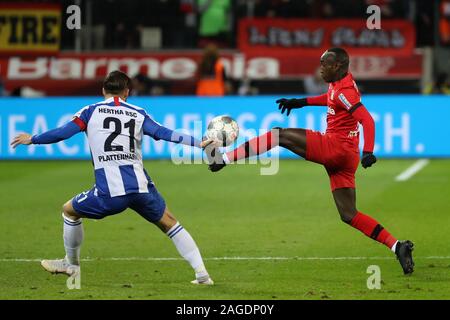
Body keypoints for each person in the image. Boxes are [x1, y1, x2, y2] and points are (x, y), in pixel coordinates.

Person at [207, 48, 415, 275]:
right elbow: (332, 99)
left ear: (337, 66)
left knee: (279, 135)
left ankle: (223, 158)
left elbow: (367, 120)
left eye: (324, 64)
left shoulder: (346, 90)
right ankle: (397, 246)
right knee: (349, 214)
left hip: (335, 148)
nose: (320, 69)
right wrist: (302, 102)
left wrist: (369, 151)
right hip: (346, 158)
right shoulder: (341, 83)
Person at [11, 70, 215, 285]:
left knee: (69, 211)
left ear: (103, 91)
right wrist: (196, 142)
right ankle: (202, 275)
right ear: (127, 92)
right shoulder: (137, 113)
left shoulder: (90, 112)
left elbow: (62, 133)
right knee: (170, 223)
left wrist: (33, 139)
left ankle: (71, 264)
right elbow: (163, 132)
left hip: (110, 192)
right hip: (141, 188)